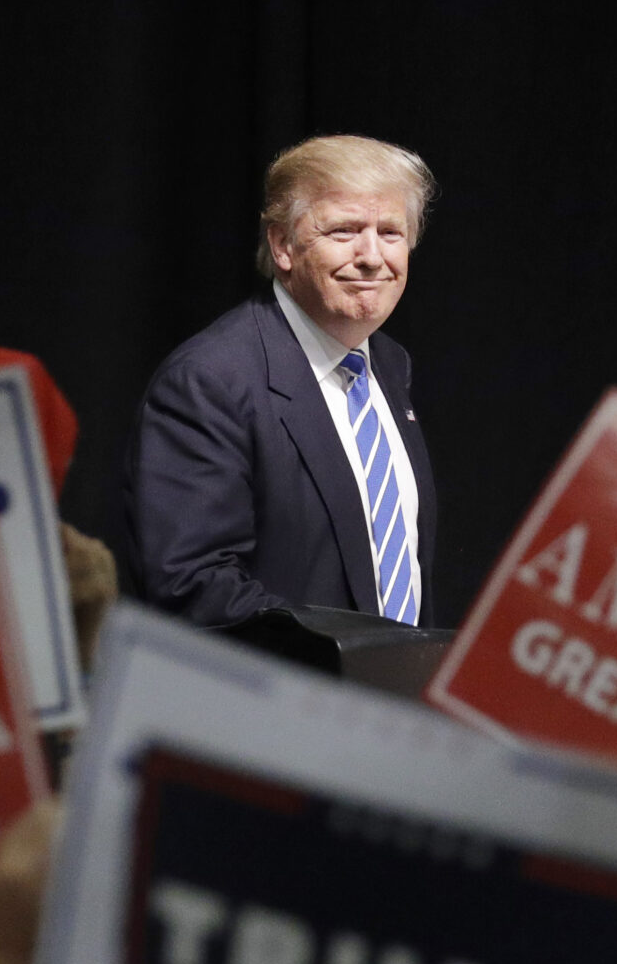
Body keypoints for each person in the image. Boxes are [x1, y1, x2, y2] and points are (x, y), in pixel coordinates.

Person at [122, 136, 440, 628]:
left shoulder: (389, 364)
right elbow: (193, 588)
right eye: (344, 230)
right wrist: (362, 655)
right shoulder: (209, 381)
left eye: (390, 232)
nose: (372, 256)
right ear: (282, 245)